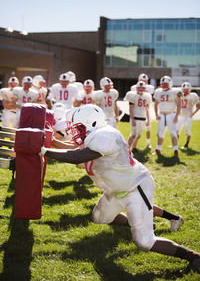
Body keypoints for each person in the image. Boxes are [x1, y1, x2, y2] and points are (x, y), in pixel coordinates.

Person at [40, 104, 199, 272]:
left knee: (144, 242)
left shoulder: (105, 135)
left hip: (135, 187)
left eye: (77, 127)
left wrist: (43, 151)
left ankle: (194, 256)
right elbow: (74, 150)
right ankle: (136, 220)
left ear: (90, 123)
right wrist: (51, 141)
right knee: (99, 217)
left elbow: (77, 156)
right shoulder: (95, 135)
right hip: (116, 190)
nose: (74, 131)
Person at [154, 76, 181, 156]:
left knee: (173, 133)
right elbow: (155, 104)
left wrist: (176, 116)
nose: (163, 85)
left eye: (165, 84)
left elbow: (179, 105)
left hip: (171, 114)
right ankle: (158, 149)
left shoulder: (175, 91)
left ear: (170, 84)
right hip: (161, 115)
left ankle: (175, 150)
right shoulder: (158, 91)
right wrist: (156, 115)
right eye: (162, 84)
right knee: (160, 133)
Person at [124, 81, 152, 152]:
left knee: (139, 135)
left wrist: (148, 120)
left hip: (143, 118)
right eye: (139, 88)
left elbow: (147, 109)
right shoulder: (133, 96)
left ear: (145, 88)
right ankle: (126, 149)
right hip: (135, 118)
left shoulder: (147, 96)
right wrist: (132, 119)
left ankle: (134, 147)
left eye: (142, 88)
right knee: (133, 134)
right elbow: (131, 109)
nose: (141, 89)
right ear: (136, 88)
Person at [131, 73, 155, 148]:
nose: (143, 82)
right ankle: (133, 146)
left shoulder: (150, 88)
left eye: (145, 80)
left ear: (147, 81)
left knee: (148, 127)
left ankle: (148, 142)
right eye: (142, 80)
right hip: (137, 110)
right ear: (138, 80)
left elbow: (147, 97)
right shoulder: (134, 87)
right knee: (135, 131)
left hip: (146, 109)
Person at [177, 82, 200, 148]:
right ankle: (175, 144)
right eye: (184, 89)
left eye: (187, 89)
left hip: (188, 116)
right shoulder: (179, 94)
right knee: (177, 130)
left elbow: (198, 105)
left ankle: (186, 144)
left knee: (188, 130)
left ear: (190, 89)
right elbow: (176, 102)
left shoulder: (193, 95)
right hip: (181, 115)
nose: (185, 90)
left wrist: (193, 113)